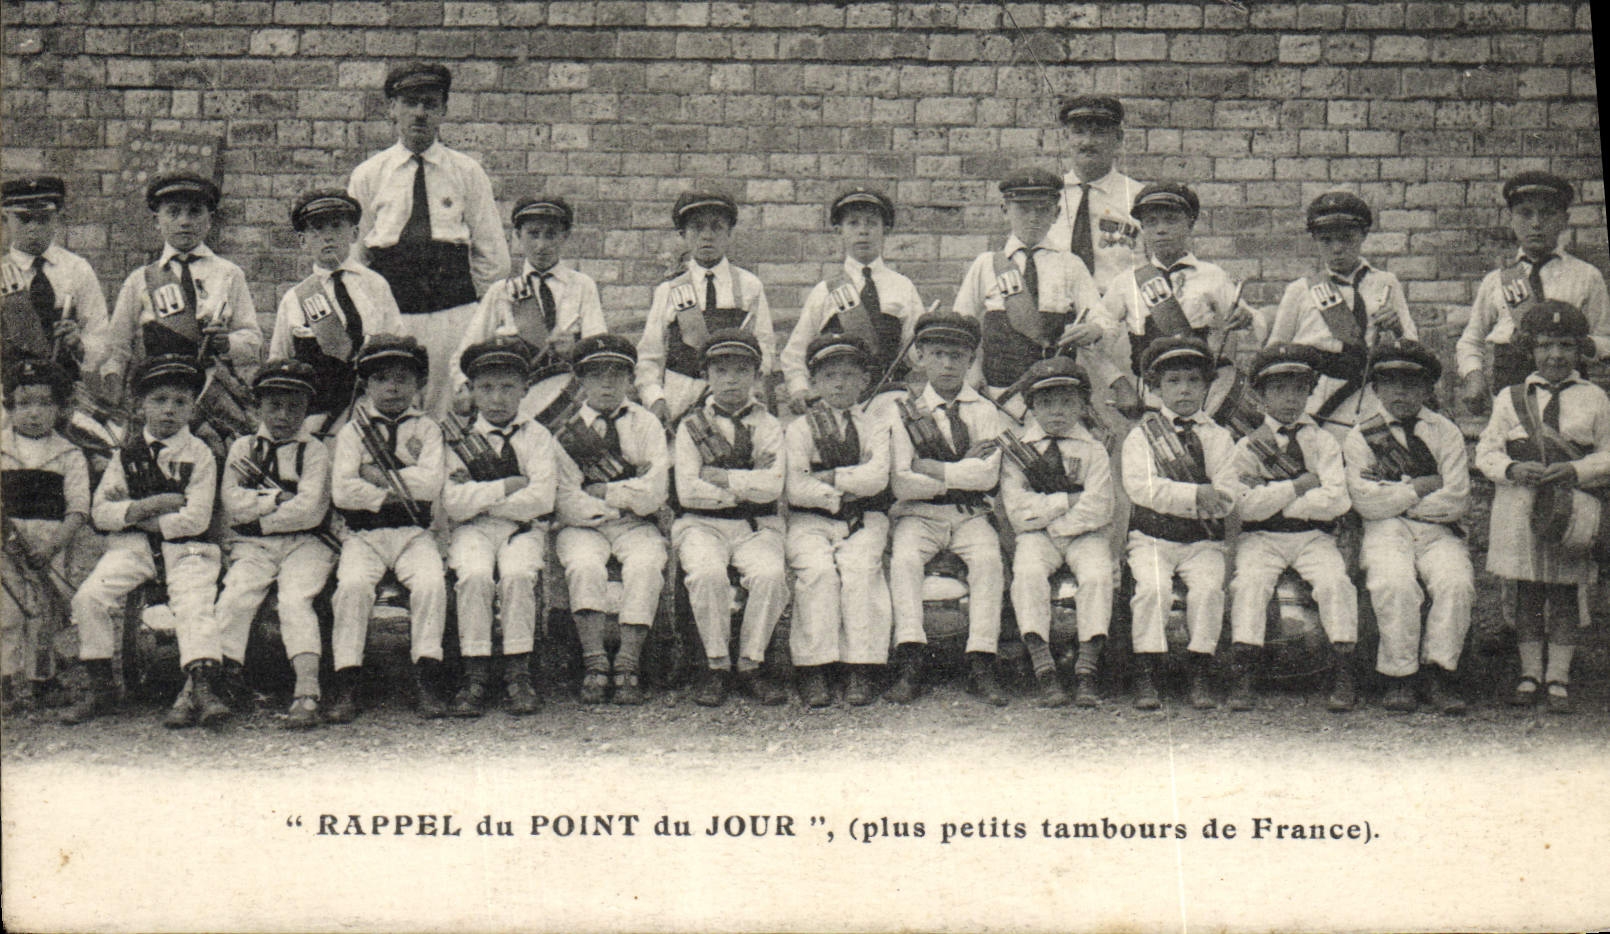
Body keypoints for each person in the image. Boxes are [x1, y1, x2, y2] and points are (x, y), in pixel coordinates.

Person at [61, 356, 225, 727]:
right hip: (133, 548)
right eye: (159, 400)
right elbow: (100, 513)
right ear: (141, 405)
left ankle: (201, 687)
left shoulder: (200, 454)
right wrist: (149, 506)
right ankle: (101, 687)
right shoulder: (127, 454)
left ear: (192, 408)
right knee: (89, 597)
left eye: (180, 402)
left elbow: (196, 518)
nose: (169, 410)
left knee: (194, 600)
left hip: (188, 549)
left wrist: (133, 515)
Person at [347, 61, 510, 412]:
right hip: (393, 316)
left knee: (450, 413)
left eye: (430, 103)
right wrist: (375, 319)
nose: (419, 113)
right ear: (392, 108)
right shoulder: (368, 175)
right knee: (392, 410)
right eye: (409, 103)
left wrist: (469, 315)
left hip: (453, 315)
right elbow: (355, 257)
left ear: (444, 110)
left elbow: (493, 257)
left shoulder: (467, 172)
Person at [1474, 301, 1610, 715]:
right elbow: (1486, 452)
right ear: (1530, 350)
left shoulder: (1594, 398)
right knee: (1528, 592)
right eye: (1546, 346)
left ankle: (1559, 678)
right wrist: (1513, 468)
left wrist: (1576, 468)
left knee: (1566, 593)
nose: (1555, 356)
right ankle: (1530, 673)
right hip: (1520, 507)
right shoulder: (1510, 398)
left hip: (1572, 510)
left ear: (1580, 350)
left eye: (1566, 346)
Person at [1341, 340, 1474, 714]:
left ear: (1428, 389)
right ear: (1376, 388)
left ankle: (1439, 672)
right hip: (1386, 529)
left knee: (1455, 581)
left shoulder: (1445, 432)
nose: (1401, 392)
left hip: (1438, 531)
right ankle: (1399, 676)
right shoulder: (1360, 435)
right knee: (1393, 581)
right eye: (1391, 383)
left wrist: (1394, 493)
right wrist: (1417, 487)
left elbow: (1457, 499)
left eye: (1412, 384)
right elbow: (1364, 500)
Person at [886, 312, 1007, 706]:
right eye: (938, 354)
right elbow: (902, 481)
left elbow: (987, 478)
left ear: (971, 361)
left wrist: (935, 468)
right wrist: (962, 468)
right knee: (904, 560)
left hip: (969, 514)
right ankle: (911, 656)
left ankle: (981, 660)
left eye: (958, 355)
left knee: (989, 560)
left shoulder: (984, 411)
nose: (948, 364)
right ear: (920, 357)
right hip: (919, 514)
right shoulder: (904, 410)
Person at [1229, 344, 1358, 712]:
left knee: (1336, 582)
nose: (1289, 398)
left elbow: (1337, 501)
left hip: (1313, 536)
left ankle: (1343, 673)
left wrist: (1273, 496)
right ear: (1260, 394)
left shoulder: (1323, 441)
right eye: (1279, 389)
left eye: (1299, 389)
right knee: (1249, 584)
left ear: (1310, 391)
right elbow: (1245, 506)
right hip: (1261, 536)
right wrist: (1299, 486)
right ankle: (1244, 673)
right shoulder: (1247, 446)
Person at [327, 335, 447, 721]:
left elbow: (431, 485)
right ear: (366, 385)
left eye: (402, 379)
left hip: (414, 533)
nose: (392, 388)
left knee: (430, 584)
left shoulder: (427, 430)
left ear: (418, 385)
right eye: (381, 379)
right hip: (364, 535)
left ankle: (427, 676)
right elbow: (343, 492)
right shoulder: (353, 432)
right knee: (352, 587)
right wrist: (397, 485)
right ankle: (347, 678)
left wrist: (373, 476)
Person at [213, 360, 337, 729]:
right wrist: (277, 500)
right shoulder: (242, 448)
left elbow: (311, 511)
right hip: (254, 545)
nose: (283, 415)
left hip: (307, 543)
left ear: (306, 408)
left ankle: (306, 689)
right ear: (258, 406)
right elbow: (233, 505)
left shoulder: (315, 451)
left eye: (294, 406)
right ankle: (221, 682)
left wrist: (258, 512)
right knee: (235, 595)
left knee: (295, 599)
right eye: (274, 405)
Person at [1121, 337, 1241, 710]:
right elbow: (1142, 489)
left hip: (1202, 542)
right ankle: (1147, 672)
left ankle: (1199, 670)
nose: (1184, 389)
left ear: (1207, 387)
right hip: (1152, 538)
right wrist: (1195, 497)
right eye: (1173, 381)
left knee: (1208, 591)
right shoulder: (1142, 436)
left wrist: (1201, 498)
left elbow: (1226, 497)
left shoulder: (1219, 438)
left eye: (1193, 380)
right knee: (1152, 589)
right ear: (1156, 388)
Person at [672, 329, 787, 707]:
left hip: (756, 527)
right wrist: (748, 477)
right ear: (707, 376)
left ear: (756, 375)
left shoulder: (769, 426)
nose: (731, 379)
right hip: (700, 524)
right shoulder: (691, 427)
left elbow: (772, 488)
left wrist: (722, 477)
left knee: (770, 575)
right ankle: (715, 665)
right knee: (706, 574)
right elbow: (688, 490)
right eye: (721, 370)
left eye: (742, 370)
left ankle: (751, 663)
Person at [442, 337, 557, 717]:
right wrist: (507, 486)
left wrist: (479, 494)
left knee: (518, 575)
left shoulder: (537, 436)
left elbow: (542, 499)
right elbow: (453, 504)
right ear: (471, 390)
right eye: (486, 388)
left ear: (525, 390)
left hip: (522, 529)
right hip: (472, 530)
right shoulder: (458, 440)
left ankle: (517, 673)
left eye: (508, 387)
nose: (497, 398)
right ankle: (475, 674)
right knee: (474, 575)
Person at [553, 334, 670, 706]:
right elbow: (565, 499)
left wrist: (605, 492)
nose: (606, 384)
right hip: (583, 526)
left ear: (630, 380)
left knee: (647, 564)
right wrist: (624, 498)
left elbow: (656, 492)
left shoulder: (647, 424)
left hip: (637, 525)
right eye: (596, 375)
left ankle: (628, 661)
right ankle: (594, 661)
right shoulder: (565, 430)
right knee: (584, 565)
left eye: (617, 375)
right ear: (581, 381)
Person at [784, 333, 894, 707]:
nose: (840, 383)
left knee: (861, 570)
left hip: (865, 517)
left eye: (849, 375)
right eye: (830, 376)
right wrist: (844, 488)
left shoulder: (875, 425)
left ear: (864, 381)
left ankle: (859, 666)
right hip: (809, 520)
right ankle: (814, 668)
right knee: (817, 573)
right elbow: (795, 487)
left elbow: (878, 477)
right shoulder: (800, 429)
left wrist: (828, 478)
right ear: (814, 383)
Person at [99, 174, 260, 422]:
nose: (184, 221)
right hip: (160, 399)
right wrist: (115, 400)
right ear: (157, 220)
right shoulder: (140, 279)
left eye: (195, 212)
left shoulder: (229, 274)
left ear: (210, 219)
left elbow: (252, 342)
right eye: (173, 212)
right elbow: (117, 349)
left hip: (213, 398)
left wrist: (226, 342)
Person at [1002, 356, 1114, 707]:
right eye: (1046, 403)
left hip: (1084, 535)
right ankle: (1043, 666)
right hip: (1037, 537)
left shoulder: (1094, 450)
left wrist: (1053, 520)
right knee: (1028, 572)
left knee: (1097, 575)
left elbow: (1100, 506)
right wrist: (1068, 499)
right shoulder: (1019, 450)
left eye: (1068, 402)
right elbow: (1018, 511)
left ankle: (1086, 670)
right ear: (1031, 407)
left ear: (1082, 405)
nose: (1057, 411)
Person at [952, 167, 1106, 417]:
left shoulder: (1070, 264)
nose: (1033, 218)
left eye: (1043, 209)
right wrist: (973, 371)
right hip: (998, 392)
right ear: (1005, 210)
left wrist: (1094, 329)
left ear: (1056, 213)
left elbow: (1102, 317)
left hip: (1053, 395)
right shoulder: (987, 264)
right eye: (1023, 209)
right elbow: (961, 326)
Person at [1100, 182, 1260, 420]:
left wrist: (1247, 318)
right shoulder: (1125, 282)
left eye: (1170, 220)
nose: (1161, 229)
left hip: (1201, 396)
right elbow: (1096, 339)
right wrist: (1118, 382)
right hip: (1151, 398)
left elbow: (1254, 322)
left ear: (1190, 224)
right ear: (1143, 228)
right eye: (1151, 222)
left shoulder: (1212, 275)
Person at [1458, 171, 1610, 412]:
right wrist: (1474, 376)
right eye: (1525, 213)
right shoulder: (1496, 281)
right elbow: (1470, 341)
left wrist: (1582, 344)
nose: (1536, 223)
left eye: (1547, 213)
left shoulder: (1586, 276)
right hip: (1511, 399)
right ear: (1511, 219)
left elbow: (1606, 340)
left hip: (1570, 400)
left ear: (1564, 219)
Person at [1265, 190, 1416, 433]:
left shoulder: (1387, 283)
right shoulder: (1300, 290)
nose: (1337, 248)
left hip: (1365, 391)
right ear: (1315, 240)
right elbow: (1275, 351)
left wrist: (1396, 328)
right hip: (1314, 394)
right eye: (1326, 240)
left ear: (1363, 235)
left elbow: (1411, 344)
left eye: (1347, 238)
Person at [269, 189, 403, 435]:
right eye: (316, 229)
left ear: (353, 234)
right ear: (302, 240)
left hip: (371, 413)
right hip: (316, 418)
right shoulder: (295, 299)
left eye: (336, 226)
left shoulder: (376, 286)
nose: (327, 237)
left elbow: (398, 351)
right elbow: (279, 361)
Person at [450, 195, 607, 405]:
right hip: (514, 405)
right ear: (517, 236)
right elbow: (462, 357)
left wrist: (575, 350)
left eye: (551, 235)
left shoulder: (583, 286)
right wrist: (464, 389)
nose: (541, 245)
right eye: (533, 234)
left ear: (565, 236)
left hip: (569, 401)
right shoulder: (502, 292)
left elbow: (600, 352)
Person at [636, 191, 778, 424]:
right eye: (697, 228)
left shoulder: (749, 286)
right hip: (681, 401)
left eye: (716, 227)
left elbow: (765, 348)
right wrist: (655, 398)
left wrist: (748, 389)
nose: (707, 236)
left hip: (736, 399)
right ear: (683, 235)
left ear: (729, 234)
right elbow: (650, 355)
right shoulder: (669, 290)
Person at [779, 188, 925, 411]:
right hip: (838, 405)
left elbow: (917, 352)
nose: (863, 232)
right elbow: (795, 353)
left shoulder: (903, 287)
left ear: (885, 230)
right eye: (853, 223)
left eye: (871, 223)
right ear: (840, 230)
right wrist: (800, 389)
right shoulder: (824, 291)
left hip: (890, 402)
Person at [0, 359, 89, 712]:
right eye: (24, 404)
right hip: (6, 551)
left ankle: (42, 681)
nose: (33, 413)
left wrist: (52, 546)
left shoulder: (69, 455)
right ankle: (5, 683)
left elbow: (78, 510)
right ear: (10, 406)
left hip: (48, 550)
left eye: (44, 403)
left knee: (43, 614)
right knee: (7, 613)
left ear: (60, 408)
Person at [1, 176, 109, 383]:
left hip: (64, 388)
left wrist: (79, 344)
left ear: (57, 217)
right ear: (6, 219)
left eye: (43, 218)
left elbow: (101, 335)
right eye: (24, 218)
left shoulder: (77, 269)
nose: (33, 227)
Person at [1044, 96, 1145, 293]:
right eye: (1078, 133)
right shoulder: (1047, 196)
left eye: (1099, 133)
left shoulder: (1138, 198)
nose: (1087, 142)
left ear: (1118, 138)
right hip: (1056, 309)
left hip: (1118, 312)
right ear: (1066, 138)